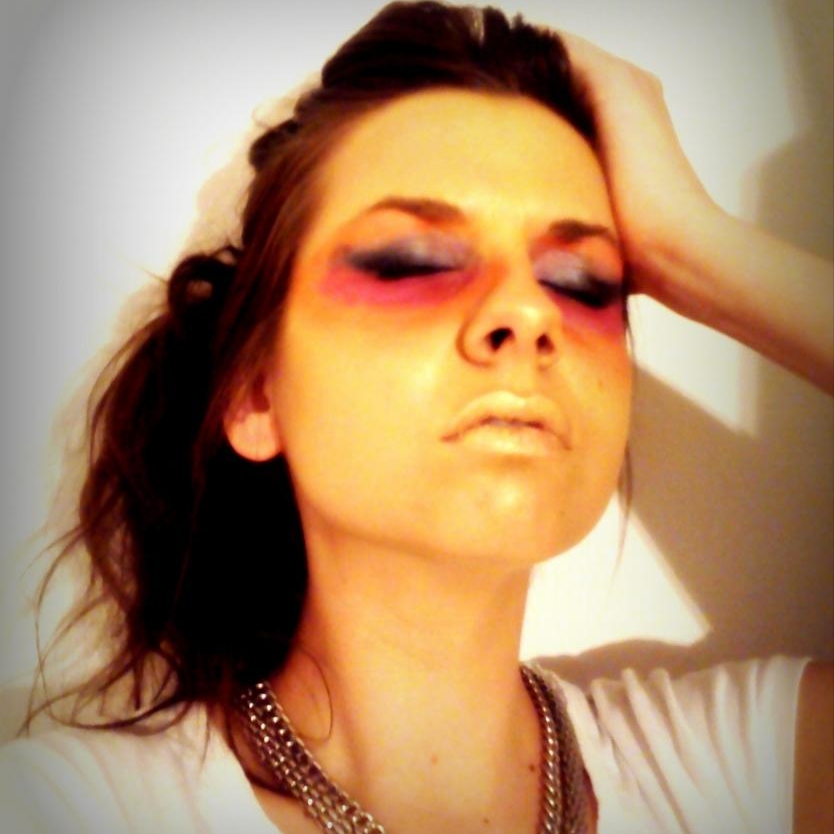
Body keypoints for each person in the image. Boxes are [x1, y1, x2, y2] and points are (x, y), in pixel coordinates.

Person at [0, 2, 831, 833]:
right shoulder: (70, 810)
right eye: (412, 263)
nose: (529, 313)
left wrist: (695, 247)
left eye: (581, 280)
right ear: (256, 395)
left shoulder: (738, 770)